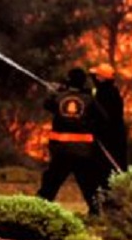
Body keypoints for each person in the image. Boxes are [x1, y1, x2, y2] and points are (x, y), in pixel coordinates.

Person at [37, 68, 108, 214]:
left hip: (60, 151)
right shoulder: (89, 99)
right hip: (83, 152)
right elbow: (103, 119)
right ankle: (96, 212)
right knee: (89, 184)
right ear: (83, 82)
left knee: (51, 184)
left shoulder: (58, 97)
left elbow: (47, 105)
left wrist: (51, 92)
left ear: (68, 80)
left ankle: (38, 210)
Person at [89, 63, 128, 174]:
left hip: (107, 136)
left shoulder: (104, 93)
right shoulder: (112, 91)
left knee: (108, 167)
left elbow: (102, 116)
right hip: (116, 134)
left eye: (96, 76)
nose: (94, 78)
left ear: (101, 78)